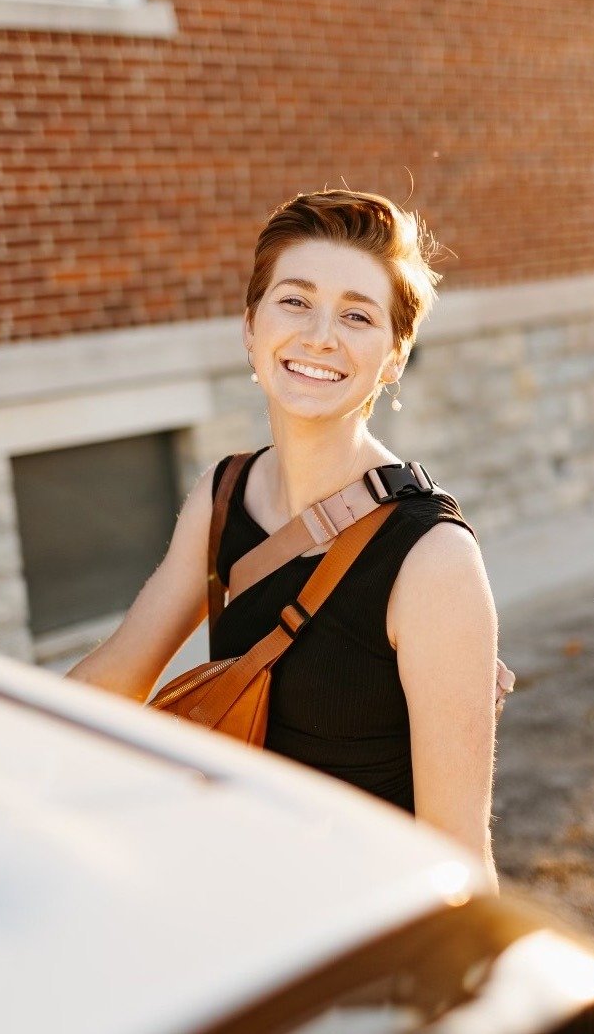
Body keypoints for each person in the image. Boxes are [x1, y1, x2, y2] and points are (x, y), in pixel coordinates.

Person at [67, 189, 511, 890]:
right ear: (250, 326)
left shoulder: (432, 559)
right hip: (239, 904)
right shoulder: (222, 493)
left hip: (353, 949)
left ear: (394, 357)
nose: (319, 336)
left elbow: (458, 862)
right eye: (294, 301)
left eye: (357, 315)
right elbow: (116, 674)